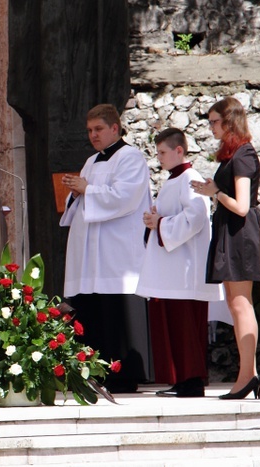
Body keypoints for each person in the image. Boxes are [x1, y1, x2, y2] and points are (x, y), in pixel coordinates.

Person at [60, 104, 153, 393]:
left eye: (98, 129)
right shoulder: (91, 161)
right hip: (91, 255)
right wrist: (75, 193)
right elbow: (79, 201)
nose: (93, 135)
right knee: (92, 309)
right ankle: (93, 372)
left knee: (117, 313)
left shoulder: (131, 158)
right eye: (89, 130)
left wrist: (87, 189)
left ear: (115, 128)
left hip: (117, 252)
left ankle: (124, 375)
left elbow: (124, 197)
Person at [135, 128, 223, 398]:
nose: (159, 157)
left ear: (179, 151)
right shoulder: (174, 179)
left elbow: (196, 218)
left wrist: (160, 223)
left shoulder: (190, 179)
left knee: (184, 325)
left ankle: (191, 381)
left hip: (185, 270)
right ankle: (181, 380)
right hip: (171, 269)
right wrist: (154, 221)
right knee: (173, 324)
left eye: (162, 152)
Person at [193, 96, 260, 400]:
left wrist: (215, 192)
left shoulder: (243, 155)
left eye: (214, 121)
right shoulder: (234, 155)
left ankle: (248, 375)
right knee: (237, 304)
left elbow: (243, 206)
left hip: (239, 234)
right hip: (231, 233)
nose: (210, 127)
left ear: (229, 120)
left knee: (241, 304)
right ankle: (248, 374)